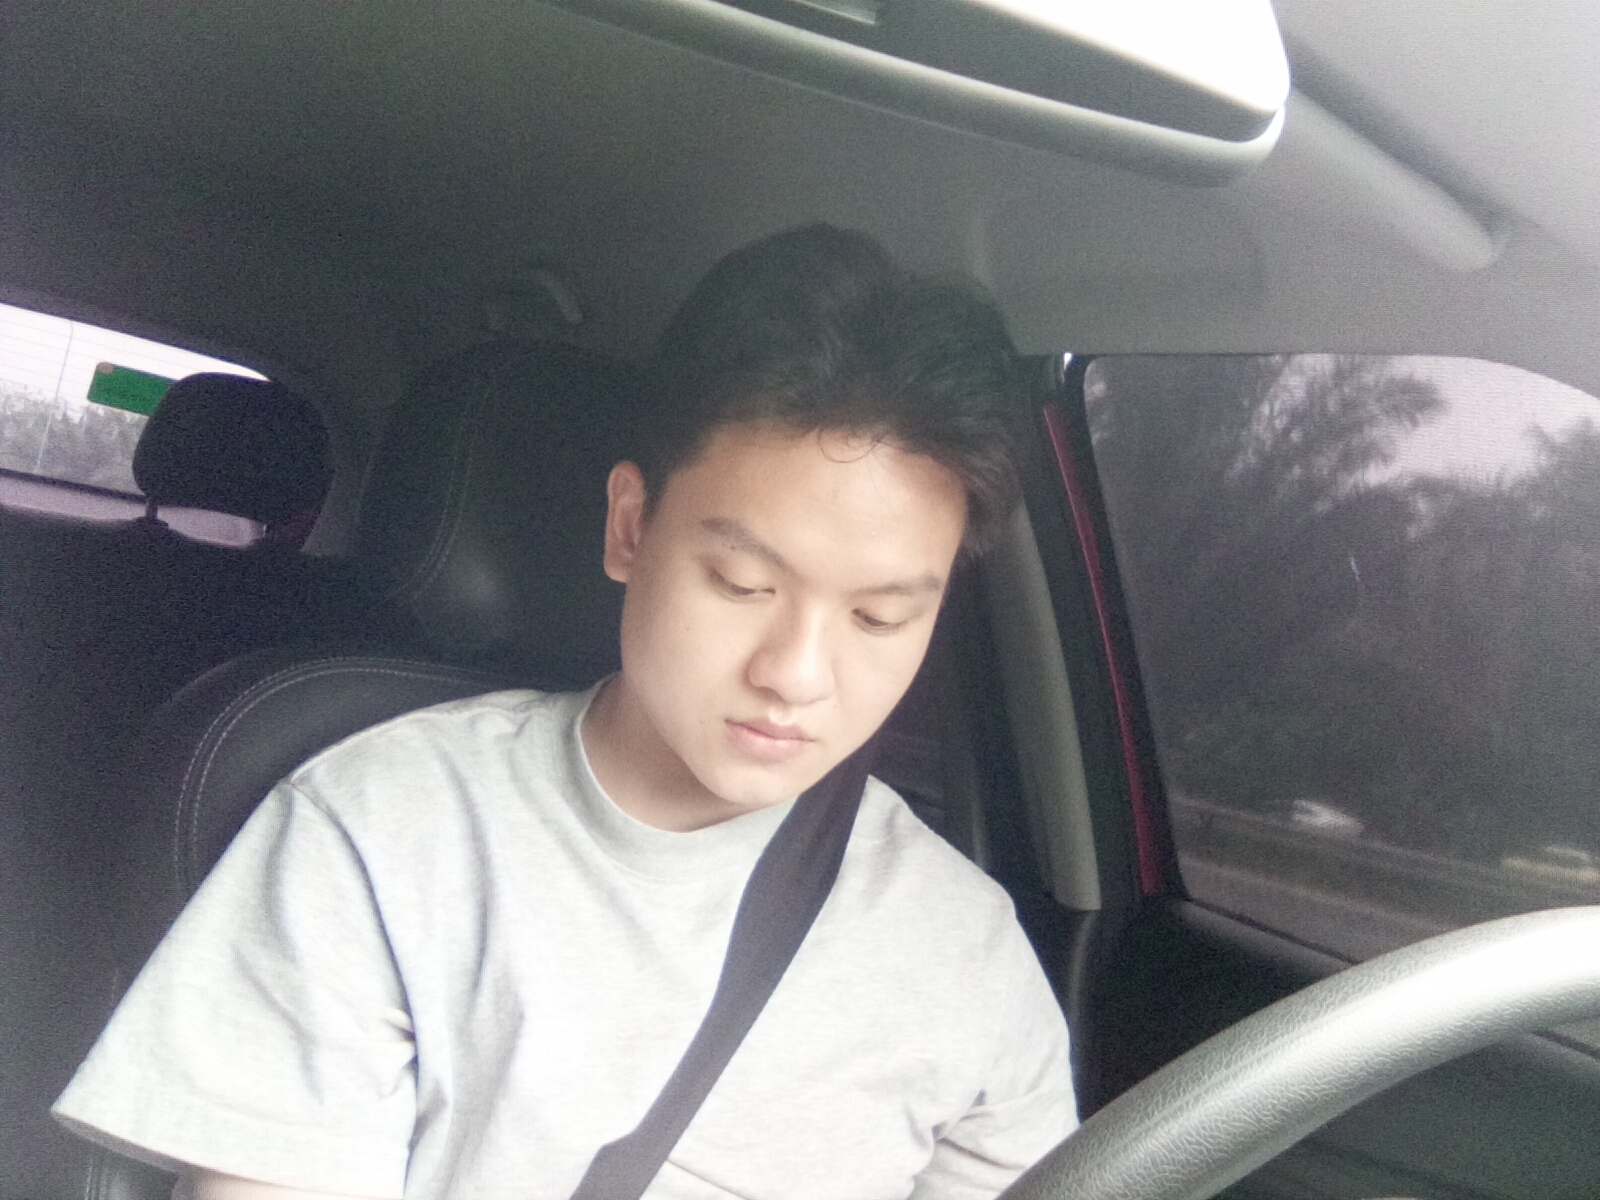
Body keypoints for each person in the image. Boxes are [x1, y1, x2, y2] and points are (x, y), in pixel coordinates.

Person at [53, 226, 1078, 1198]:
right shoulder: (384, 829)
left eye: (879, 616)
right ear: (630, 527)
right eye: (741, 584)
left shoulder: (969, 956)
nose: (798, 674)